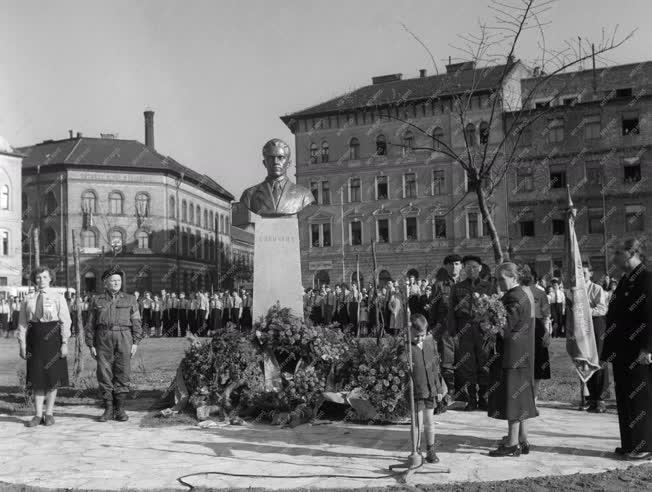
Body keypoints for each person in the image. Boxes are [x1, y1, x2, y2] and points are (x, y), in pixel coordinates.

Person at [601, 239, 652, 460]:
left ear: (631, 253)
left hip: (637, 351)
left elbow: (650, 316)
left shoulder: (646, 279)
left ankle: (644, 446)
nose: (614, 258)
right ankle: (630, 442)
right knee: (624, 398)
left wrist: (647, 348)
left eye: (618, 253)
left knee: (639, 398)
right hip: (622, 350)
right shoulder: (625, 280)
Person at [488, 262, 537, 457]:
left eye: (502, 279)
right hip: (521, 352)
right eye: (497, 279)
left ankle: (512, 443)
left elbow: (505, 328)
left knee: (513, 398)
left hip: (513, 353)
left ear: (514, 278)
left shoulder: (514, 297)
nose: (499, 283)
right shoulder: (518, 294)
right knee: (521, 397)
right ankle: (523, 438)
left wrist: (488, 322)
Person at [85, 267, 143, 422]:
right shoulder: (97, 300)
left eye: (118, 280)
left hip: (124, 337)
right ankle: (108, 409)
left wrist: (136, 341)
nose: (116, 282)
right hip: (103, 338)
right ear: (106, 283)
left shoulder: (131, 299)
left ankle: (120, 409)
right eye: (113, 280)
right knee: (104, 373)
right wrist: (90, 344)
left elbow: (137, 321)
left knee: (123, 372)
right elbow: (90, 323)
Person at [17, 266, 72, 427]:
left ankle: (49, 413)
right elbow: (22, 323)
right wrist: (22, 344)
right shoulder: (28, 298)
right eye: (39, 277)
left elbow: (65, 321)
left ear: (50, 279)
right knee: (37, 378)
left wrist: (64, 343)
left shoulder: (58, 297)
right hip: (34, 340)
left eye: (45, 277)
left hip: (53, 338)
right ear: (35, 279)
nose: (41, 280)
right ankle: (37, 414)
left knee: (52, 378)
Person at [448, 255, 495, 411]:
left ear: (480, 268)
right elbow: (451, 312)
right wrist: (453, 333)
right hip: (464, 329)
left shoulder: (489, 286)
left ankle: (484, 398)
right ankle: (471, 400)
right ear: (464, 268)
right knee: (467, 365)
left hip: (483, 330)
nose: (471, 269)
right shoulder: (457, 288)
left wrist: (492, 328)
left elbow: (495, 309)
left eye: (474, 266)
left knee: (485, 363)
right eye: (468, 267)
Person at [404, 314, 443, 463]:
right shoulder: (407, 347)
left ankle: (431, 450)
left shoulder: (430, 342)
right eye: (416, 336)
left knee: (429, 421)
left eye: (423, 335)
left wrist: (438, 388)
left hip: (430, 390)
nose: (420, 339)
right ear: (409, 332)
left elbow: (435, 367)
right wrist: (404, 361)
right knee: (417, 424)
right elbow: (400, 360)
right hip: (416, 391)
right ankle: (416, 451)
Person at [431, 254, 463, 403]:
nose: (454, 267)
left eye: (457, 264)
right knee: (447, 363)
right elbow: (433, 310)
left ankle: (464, 394)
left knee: (464, 362)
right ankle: (448, 395)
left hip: (464, 331)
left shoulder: (467, 284)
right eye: (450, 264)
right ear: (446, 267)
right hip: (445, 331)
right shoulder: (439, 285)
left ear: (461, 266)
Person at [521, 268, 552, 400]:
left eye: (529, 275)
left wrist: (547, 333)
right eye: (524, 275)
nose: (527, 277)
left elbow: (546, 315)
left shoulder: (540, 293)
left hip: (537, 328)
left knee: (538, 365)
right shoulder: (517, 292)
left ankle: (534, 397)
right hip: (520, 328)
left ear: (534, 278)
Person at [583, 263, 610, 413]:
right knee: (586, 360)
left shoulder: (596, 289)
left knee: (599, 360)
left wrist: (585, 311)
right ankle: (591, 396)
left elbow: (602, 308)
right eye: (581, 273)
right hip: (583, 327)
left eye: (585, 273)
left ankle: (601, 398)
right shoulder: (577, 290)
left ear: (591, 274)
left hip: (596, 324)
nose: (583, 276)